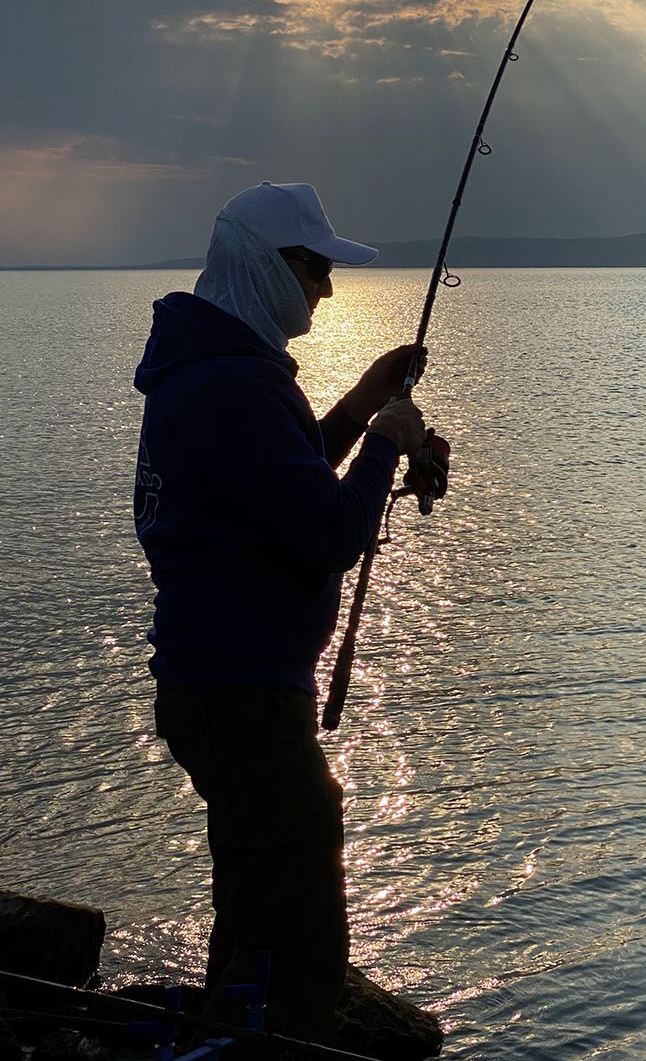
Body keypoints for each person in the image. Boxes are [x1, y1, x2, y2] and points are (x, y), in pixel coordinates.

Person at [133, 181, 428, 1043]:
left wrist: (367, 399)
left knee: (258, 897)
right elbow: (327, 531)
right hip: (245, 696)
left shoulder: (216, 369)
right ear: (266, 267)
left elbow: (282, 480)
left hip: (217, 687)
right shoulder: (234, 385)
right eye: (313, 269)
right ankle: (265, 1040)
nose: (327, 289)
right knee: (300, 931)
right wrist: (387, 443)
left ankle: (230, 1024)